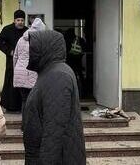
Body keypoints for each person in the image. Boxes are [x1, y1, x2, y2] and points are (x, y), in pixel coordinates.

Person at [22, 30, 86, 164]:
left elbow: (54, 131)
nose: (29, 52)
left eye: (33, 48)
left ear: (45, 48)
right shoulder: (50, 71)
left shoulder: (57, 75)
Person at [0, 9, 28, 112]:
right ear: (14, 20)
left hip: (23, 62)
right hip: (11, 62)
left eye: (22, 20)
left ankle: (19, 106)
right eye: (18, 20)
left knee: (21, 82)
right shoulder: (7, 29)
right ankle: (8, 106)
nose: (20, 22)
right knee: (10, 82)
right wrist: (9, 51)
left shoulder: (27, 31)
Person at [13, 17, 46, 108]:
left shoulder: (21, 39)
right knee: (35, 101)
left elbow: (15, 57)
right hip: (33, 73)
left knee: (24, 100)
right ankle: (33, 121)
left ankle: (25, 121)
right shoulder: (40, 41)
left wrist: (16, 70)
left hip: (19, 72)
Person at [63, 27, 87, 95]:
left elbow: (65, 50)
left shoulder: (66, 39)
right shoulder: (79, 39)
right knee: (80, 74)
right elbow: (84, 48)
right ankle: (84, 91)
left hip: (69, 60)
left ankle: (72, 90)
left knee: (70, 75)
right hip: (78, 60)